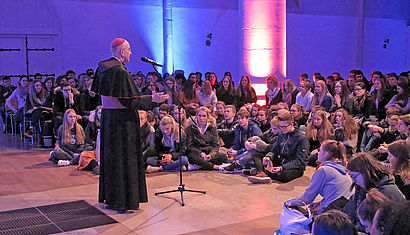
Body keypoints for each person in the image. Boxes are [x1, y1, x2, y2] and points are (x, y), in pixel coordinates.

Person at [91, 38, 168, 213]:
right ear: (121, 52)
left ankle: (112, 198)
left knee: (112, 159)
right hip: (122, 124)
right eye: (129, 50)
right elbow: (128, 102)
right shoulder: (119, 71)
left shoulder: (103, 67)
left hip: (109, 120)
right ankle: (124, 201)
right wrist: (152, 99)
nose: (131, 53)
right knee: (124, 159)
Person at [342, 152, 405, 232]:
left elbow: (371, 228)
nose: (354, 181)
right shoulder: (363, 188)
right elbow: (348, 212)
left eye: (354, 177)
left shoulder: (386, 192)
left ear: (365, 172)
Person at [285, 140, 353, 214]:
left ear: (326, 154)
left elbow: (307, 198)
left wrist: (290, 202)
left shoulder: (324, 170)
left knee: (290, 208)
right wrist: (321, 203)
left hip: (333, 214)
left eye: (320, 150)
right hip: (345, 211)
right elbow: (337, 195)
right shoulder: (342, 169)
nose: (318, 153)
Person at [248, 110, 309, 183]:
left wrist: (282, 168)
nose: (282, 129)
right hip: (281, 161)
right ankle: (262, 173)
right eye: (280, 127)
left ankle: (264, 172)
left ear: (291, 124)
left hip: (294, 167)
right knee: (257, 155)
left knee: (283, 175)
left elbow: (299, 161)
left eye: (285, 127)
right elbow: (275, 149)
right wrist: (268, 157)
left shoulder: (301, 138)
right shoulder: (282, 134)